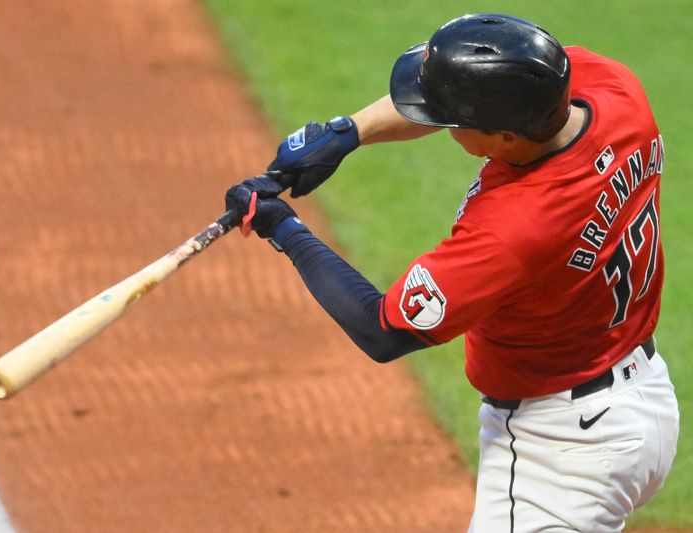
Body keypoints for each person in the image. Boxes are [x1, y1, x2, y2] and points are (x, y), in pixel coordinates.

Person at [224, 13, 678, 532]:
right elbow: (500, 89)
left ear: (505, 137)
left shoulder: (514, 230)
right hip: (642, 399)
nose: (443, 126)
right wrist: (347, 133)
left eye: (454, 123)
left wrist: (284, 228)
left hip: (562, 453)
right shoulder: (613, 92)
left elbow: (383, 329)